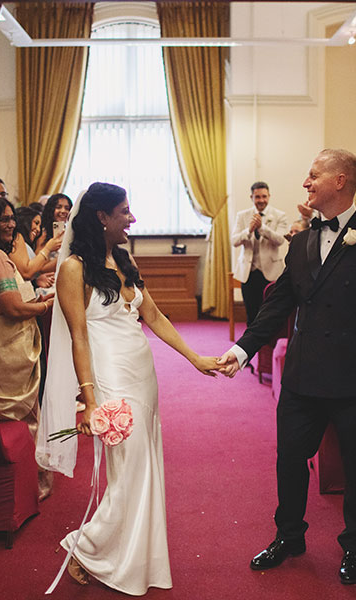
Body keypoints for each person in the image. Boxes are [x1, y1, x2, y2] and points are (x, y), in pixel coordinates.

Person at [217, 149, 356, 585]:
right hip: (303, 376)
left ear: (340, 181)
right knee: (289, 459)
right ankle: (289, 535)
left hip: (355, 380)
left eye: (313, 175)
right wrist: (243, 350)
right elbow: (278, 302)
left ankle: (354, 545)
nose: (306, 183)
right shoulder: (301, 241)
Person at [36, 182, 219, 595]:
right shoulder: (73, 269)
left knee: (143, 467)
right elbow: (78, 337)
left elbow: (152, 315)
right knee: (130, 468)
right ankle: (85, 547)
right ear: (102, 217)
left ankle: (129, 559)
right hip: (109, 377)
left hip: (142, 373)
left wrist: (196, 358)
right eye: (124, 211)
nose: (132, 219)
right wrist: (89, 399)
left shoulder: (123, 256)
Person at [0, 196, 54, 498]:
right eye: (2, 220)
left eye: (10, 219)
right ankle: (34, 483)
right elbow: (12, 308)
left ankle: (33, 479)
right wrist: (45, 308)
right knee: (24, 412)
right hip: (4, 347)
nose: (9, 225)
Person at [230, 181, 289, 326]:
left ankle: (268, 347)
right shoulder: (242, 216)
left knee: (269, 313)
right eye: (257, 197)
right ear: (251, 197)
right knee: (251, 314)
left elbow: (280, 240)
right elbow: (234, 241)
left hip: (271, 272)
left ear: (269, 196)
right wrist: (248, 230)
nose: (261, 200)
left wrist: (262, 228)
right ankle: (250, 347)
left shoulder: (280, 215)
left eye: (264, 196)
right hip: (248, 273)